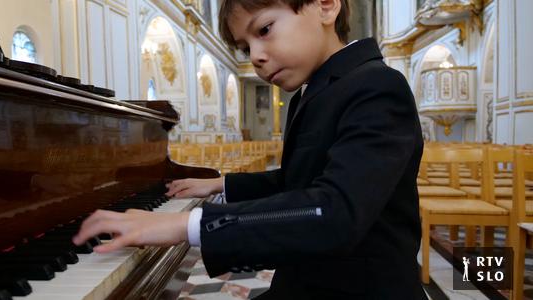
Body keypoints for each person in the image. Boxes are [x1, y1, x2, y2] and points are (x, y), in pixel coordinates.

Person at [73, 0, 426, 298]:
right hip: (308, 278)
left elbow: (334, 211)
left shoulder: (377, 85)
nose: (255, 56)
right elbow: (298, 182)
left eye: (265, 30)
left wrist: (186, 225)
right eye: (245, 47)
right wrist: (223, 184)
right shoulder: (316, 91)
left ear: (326, 5)